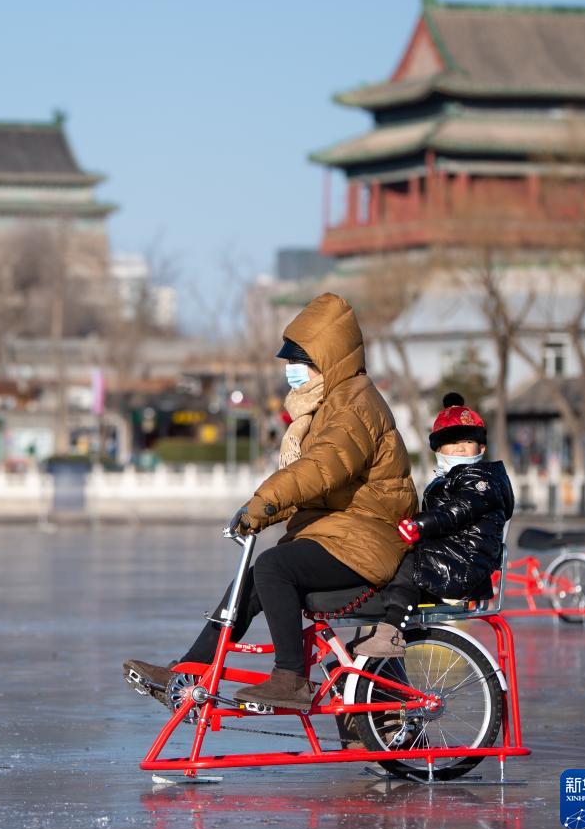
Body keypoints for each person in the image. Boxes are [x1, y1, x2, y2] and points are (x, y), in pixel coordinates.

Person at [124, 292, 418, 710]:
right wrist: (263, 513)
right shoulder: (325, 407)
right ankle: (190, 670)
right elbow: (316, 485)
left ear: (329, 361)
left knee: (274, 567)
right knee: (249, 583)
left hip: (368, 538)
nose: (291, 371)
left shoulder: (355, 407)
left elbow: (321, 468)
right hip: (340, 531)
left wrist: (263, 503)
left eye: (300, 362)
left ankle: (290, 678)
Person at [354, 392, 514, 658]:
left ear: (481, 449)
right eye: (452, 442)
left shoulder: (481, 480)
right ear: (438, 450)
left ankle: (390, 632)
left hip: (464, 563)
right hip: (452, 555)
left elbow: (458, 510)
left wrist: (419, 525)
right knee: (388, 554)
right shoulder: (445, 480)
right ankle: (374, 649)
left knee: (407, 561)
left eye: (468, 441)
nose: (460, 448)